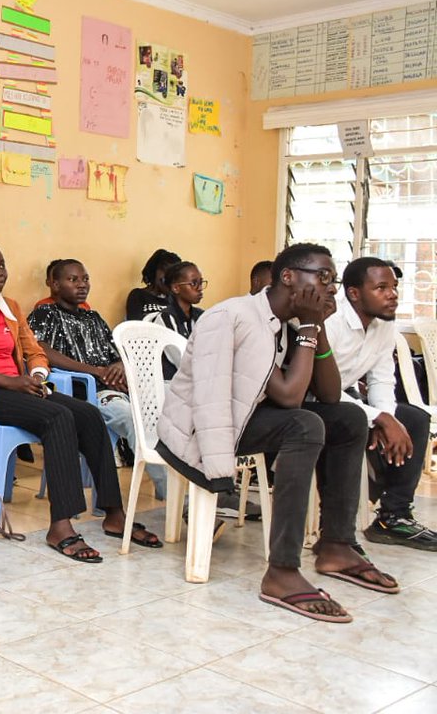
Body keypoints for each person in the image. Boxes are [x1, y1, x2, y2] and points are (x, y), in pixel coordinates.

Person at [157, 243, 398, 623]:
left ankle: (336, 543)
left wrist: (315, 328)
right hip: (204, 427)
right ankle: (282, 571)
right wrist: (307, 327)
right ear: (287, 277)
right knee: (305, 424)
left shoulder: (290, 323)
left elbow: (331, 394)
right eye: (322, 277)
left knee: (348, 417)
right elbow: (286, 398)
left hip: (249, 414)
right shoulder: (233, 316)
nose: (330, 287)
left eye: (332, 280)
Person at [0, 230, 159, 563]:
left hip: (17, 389)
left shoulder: (9, 307)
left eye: (2, 264)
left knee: (88, 413)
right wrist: (9, 382)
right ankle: (61, 525)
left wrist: (37, 376)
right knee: (58, 417)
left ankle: (114, 512)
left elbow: (34, 351)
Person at [29, 259, 168, 501]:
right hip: (82, 392)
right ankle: (174, 496)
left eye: (85, 279)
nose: (82, 285)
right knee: (134, 419)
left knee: (171, 402)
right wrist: (95, 371)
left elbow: (120, 353)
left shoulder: (93, 317)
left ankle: (202, 487)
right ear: (54, 284)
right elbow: (39, 349)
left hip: (114, 386)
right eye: (73, 280)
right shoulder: (45, 313)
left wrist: (119, 366)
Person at [325, 257, 436, 550]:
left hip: (349, 397)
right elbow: (321, 390)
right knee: (359, 418)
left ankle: (392, 517)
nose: (392, 294)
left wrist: (385, 416)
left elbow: (382, 379)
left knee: (414, 419)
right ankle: (338, 530)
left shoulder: (385, 324)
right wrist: (378, 418)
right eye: (381, 287)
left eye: (395, 287)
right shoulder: (331, 322)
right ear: (354, 293)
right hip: (316, 399)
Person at [125, 248, 180, 321]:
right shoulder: (138, 295)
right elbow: (134, 325)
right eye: (167, 273)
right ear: (156, 271)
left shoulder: (175, 300)